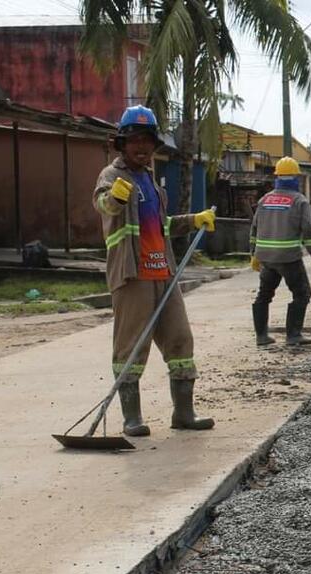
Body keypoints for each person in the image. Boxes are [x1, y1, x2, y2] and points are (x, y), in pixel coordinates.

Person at [93, 105, 216, 436]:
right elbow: (103, 204)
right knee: (131, 346)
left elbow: (161, 227)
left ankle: (184, 414)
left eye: (147, 140)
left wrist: (193, 220)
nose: (142, 147)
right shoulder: (112, 175)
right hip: (133, 275)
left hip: (163, 271)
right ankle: (132, 418)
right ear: (122, 143)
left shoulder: (152, 182)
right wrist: (115, 199)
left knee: (180, 341)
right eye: (134, 139)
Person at [250, 157, 311, 347]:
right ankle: (293, 335)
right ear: (296, 178)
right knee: (302, 293)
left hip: (266, 257)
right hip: (288, 257)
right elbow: (308, 230)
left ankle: (261, 336)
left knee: (264, 295)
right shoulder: (299, 200)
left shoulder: (264, 199)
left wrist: (253, 255)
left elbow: (254, 228)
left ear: (277, 177)